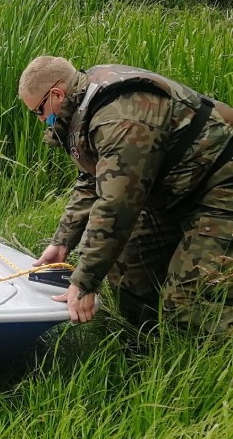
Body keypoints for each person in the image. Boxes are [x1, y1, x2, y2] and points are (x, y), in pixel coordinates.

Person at [18, 56, 233, 333]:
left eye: (39, 111)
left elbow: (116, 206)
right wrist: (62, 243)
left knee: (190, 302)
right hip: (175, 188)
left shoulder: (118, 118)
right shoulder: (86, 102)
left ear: (57, 94)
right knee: (129, 269)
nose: (41, 120)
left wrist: (84, 281)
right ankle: (144, 348)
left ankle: (207, 360)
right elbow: (92, 179)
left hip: (219, 185)